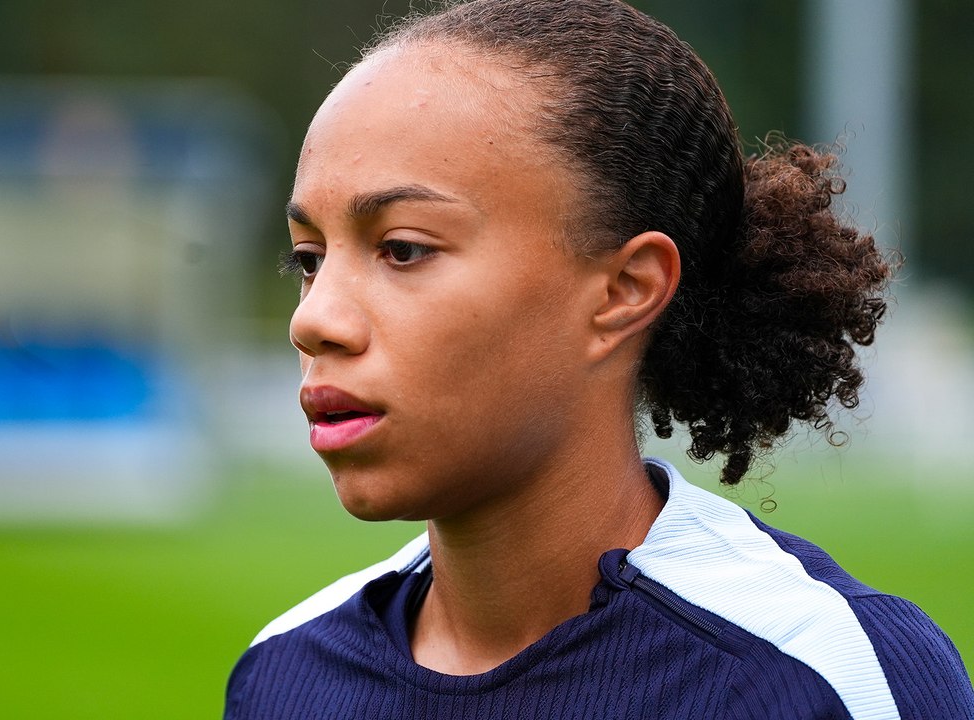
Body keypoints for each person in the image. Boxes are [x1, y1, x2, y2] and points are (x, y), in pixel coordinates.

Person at [225, 0, 974, 717]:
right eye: (309, 258)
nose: (315, 319)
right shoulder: (282, 672)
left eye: (404, 249)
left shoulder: (821, 676)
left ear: (624, 291)